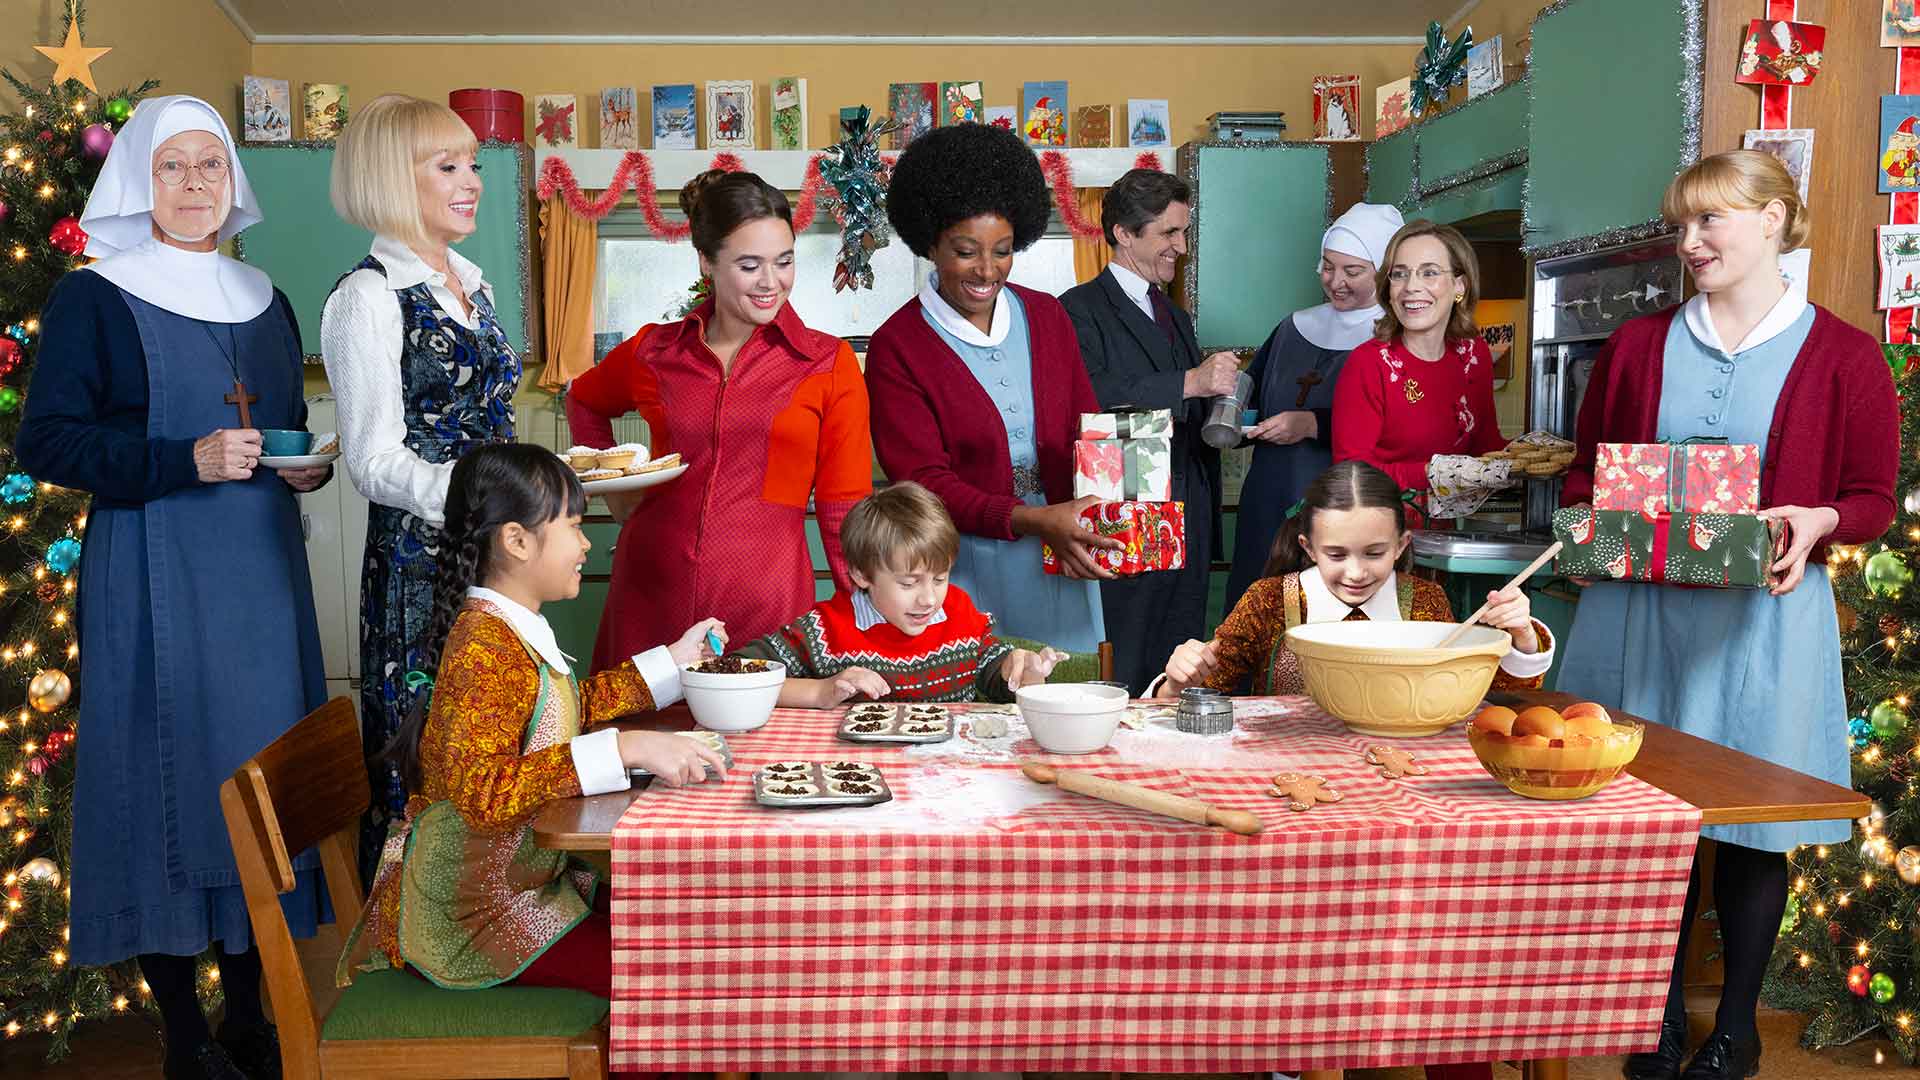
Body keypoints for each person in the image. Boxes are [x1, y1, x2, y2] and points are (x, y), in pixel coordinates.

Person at [1559, 151, 1898, 1080]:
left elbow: (1873, 494)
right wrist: (1591, 532)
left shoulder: (1844, 355)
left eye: (1710, 221)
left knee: (1755, 828)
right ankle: (1653, 1020)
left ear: (1777, 220)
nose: (1690, 242)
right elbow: (1588, 470)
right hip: (1640, 616)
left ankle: (1736, 1029)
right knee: (1647, 821)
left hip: (1765, 624)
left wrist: (1820, 518)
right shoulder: (1637, 346)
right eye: (1684, 224)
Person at [16, 94, 331, 1080]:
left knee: (259, 782)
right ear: (139, 182)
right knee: (171, 780)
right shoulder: (96, 297)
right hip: (153, 572)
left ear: (233, 181)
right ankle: (185, 1034)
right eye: (172, 167)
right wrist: (180, 458)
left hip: (262, 578)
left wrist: (303, 470)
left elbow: (273, 427)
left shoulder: (268, 296)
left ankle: (249, 1013)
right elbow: (47, 442)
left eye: (211, 167)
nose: (195, 186)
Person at [338, 444, 729, 999]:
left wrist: (674, 661)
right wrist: (624, 749)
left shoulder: (509, 631)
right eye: (573, 526)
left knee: (667, 926)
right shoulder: (484, 649)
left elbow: (569, 708)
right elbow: (483, 791)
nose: (586, 543)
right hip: (472, 919)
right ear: (517, 541)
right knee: (659, 978)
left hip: (522, 886)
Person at [321, 94, 523, 872]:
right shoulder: (365, 298)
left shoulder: (474, 286)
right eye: (448, 167)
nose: (471, 181)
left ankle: (495, 918)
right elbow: (373, 463)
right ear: (390, 179)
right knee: (430, 748)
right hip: (422, 568)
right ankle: (410, 943)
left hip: (498, 555)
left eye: (472, 164)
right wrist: (492, 494)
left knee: (500, 738)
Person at [566, 169, 871, 670]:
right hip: (651, 593)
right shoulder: (655, 351)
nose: (771, 282)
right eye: (749, 265)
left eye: (784, 261)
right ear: (707, 261)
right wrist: (615, 489)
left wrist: (857, 620)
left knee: (763, 743)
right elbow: (584, 400)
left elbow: (845, 510)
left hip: (767, 601)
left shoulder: (826, 363)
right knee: (645, 741)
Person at [866, 123, 1121, 656]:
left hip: (1062, 558)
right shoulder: (898, 345)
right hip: (959, 571)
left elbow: (1090, 432)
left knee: (1067, 706)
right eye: (965, 251)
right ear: (929, 243)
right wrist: (1033, 520)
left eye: (1002, 251)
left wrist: (1111, 522)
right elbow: (923, 483)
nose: (987, 271)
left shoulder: (1049, 317)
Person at [1155, 461, 1551, 702]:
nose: (1357, 573)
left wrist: (1521, 636)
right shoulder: (1270, 600)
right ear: (1309, 548)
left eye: (1374, 553)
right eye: (1337, 555)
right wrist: (1174, 684)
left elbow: (1488, 698)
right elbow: (1201, 693)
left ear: (1401, 546)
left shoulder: (1425, 602)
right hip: (1291, 774)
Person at [1059, 168, 1233, 694]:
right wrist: (1191, 380)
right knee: (1128, 651)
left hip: (1190, 509)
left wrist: (1240, 421)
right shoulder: (1078, 309)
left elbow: (1190, 404)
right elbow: (1088, 393)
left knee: (1182, 656)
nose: (1180, 247)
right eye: (1168, 234)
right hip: (1128, 508)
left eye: (1183, 233)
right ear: (1124, 233)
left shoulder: (1175, 316)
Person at [736, 482, 1066, 706]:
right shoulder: (824, 630)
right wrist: (820, 690)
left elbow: (995, 677)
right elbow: (735, 675)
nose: (928, 599)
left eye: (939, 578)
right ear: (862, 574)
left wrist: (1023, 674)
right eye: (908, 584)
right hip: (857, 783)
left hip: (947, 784)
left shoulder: (959, 612)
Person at [1227, 202, 1405, 612]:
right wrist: (1234, 421)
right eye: (1327, 267)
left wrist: (1312, 425)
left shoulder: (1394, 336)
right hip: (1268, 498)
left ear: (1381, 270)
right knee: (1255, 612)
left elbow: (1398, 426)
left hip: (1342, 508)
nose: (1336, 282)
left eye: (1352, 271)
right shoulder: (1291, 328)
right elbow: (1247, 398)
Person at [1330, 220, 1506, 499]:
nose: (1411, 286)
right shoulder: (1367, 363)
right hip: (1379, 533)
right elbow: (1352, 475)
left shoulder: (1474, 354)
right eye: (1399, 274)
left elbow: (1485, 445)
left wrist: (1529, 457)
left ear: (1459, 286)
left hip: (1443, 533)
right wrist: (1432, 473)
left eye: (1429, 273)